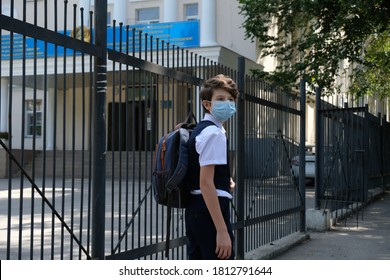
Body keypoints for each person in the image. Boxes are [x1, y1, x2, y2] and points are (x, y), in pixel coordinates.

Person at [185, 74, 238, 260]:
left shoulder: (202, 128)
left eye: (231, 99)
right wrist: (222, 230)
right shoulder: (214, 133)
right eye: (221, 99)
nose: (228, 103)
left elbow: (206, 173)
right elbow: (206, 183)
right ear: (207, 104)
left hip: (197, 210)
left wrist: (223, 180)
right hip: (209, 211)